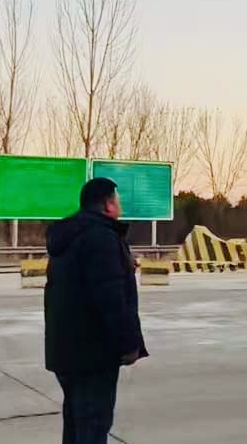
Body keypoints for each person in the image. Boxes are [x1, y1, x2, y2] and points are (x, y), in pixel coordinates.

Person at [44, 177, 148, 444]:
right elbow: (110, 298)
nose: (120, 205)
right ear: (108, 205)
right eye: (117, 200)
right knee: (93, 425)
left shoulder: (68, 237)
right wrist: (129, 345)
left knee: (76, 424)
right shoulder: (102, 238)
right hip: (93, 354)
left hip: (65, 350)